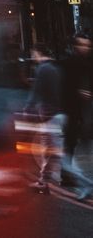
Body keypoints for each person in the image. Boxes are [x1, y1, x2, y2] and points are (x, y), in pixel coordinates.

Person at [24, 45, 62, 193]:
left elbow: (36, 91)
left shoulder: (42, 69)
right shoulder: (55, 68)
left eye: (33, 54)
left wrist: (27, 108)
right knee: (49, 149)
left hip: (48, 115)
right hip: (57, 113)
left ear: (38, 53)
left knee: (49, 150)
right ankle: (44, 180)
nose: (32, 57)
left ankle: (83, 182)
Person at [61, 32, 93, 198]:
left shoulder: (88, 64)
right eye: (81, 45)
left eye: (87, 45)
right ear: (75, 46)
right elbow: (64, 90)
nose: (85, 48)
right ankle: (72, 178)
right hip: (72, 112)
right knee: (70, 146)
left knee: (85, 148)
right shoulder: (68, 64)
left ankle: (81, 181)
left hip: (86, 113)